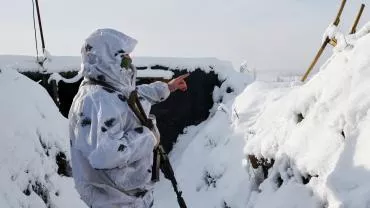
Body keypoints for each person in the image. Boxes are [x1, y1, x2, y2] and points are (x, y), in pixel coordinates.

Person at [69, 28, 189, 208]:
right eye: (124, 58)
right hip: (114, 201)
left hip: (131, 199)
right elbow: (104, 154)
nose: (129, 63)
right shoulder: (94, 101)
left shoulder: (108, 90)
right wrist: (148, 137)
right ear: (107, 59)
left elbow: (132, 98)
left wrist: (166, 88)